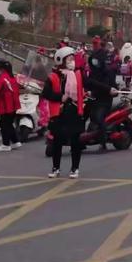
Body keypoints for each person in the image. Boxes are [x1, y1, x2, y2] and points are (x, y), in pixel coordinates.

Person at [42, 47, 85, 178]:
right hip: (59, 113)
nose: (72, 61)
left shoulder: (77, 74)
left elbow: (85, 87)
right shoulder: (53, 77)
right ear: (61, 60)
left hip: (74, 111)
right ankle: (56, 168)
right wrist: (60, 97)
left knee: (76, 142)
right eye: (69, 59)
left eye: (73, 58)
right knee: (57, 142)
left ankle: (75, 168)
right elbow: (46, 93)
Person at [84, 47, 119, 152]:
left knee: (99, 118)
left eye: (96, 60)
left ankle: (103, 142)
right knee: (81, 115)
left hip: (104, 101)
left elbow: (110, 88)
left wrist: (95, 91)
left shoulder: (108, 72)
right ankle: (81, 139)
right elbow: (88, 83)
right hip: (92, 99)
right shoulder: (92, 71)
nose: (94, 62)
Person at [0, 60, 22, 152]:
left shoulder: (3, 78)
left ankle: (6, 144)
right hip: (13, 104)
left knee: (4, 124)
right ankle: (15, 141)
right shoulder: (11, 77)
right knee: (8, 123)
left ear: (1, 69)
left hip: (6, 105)